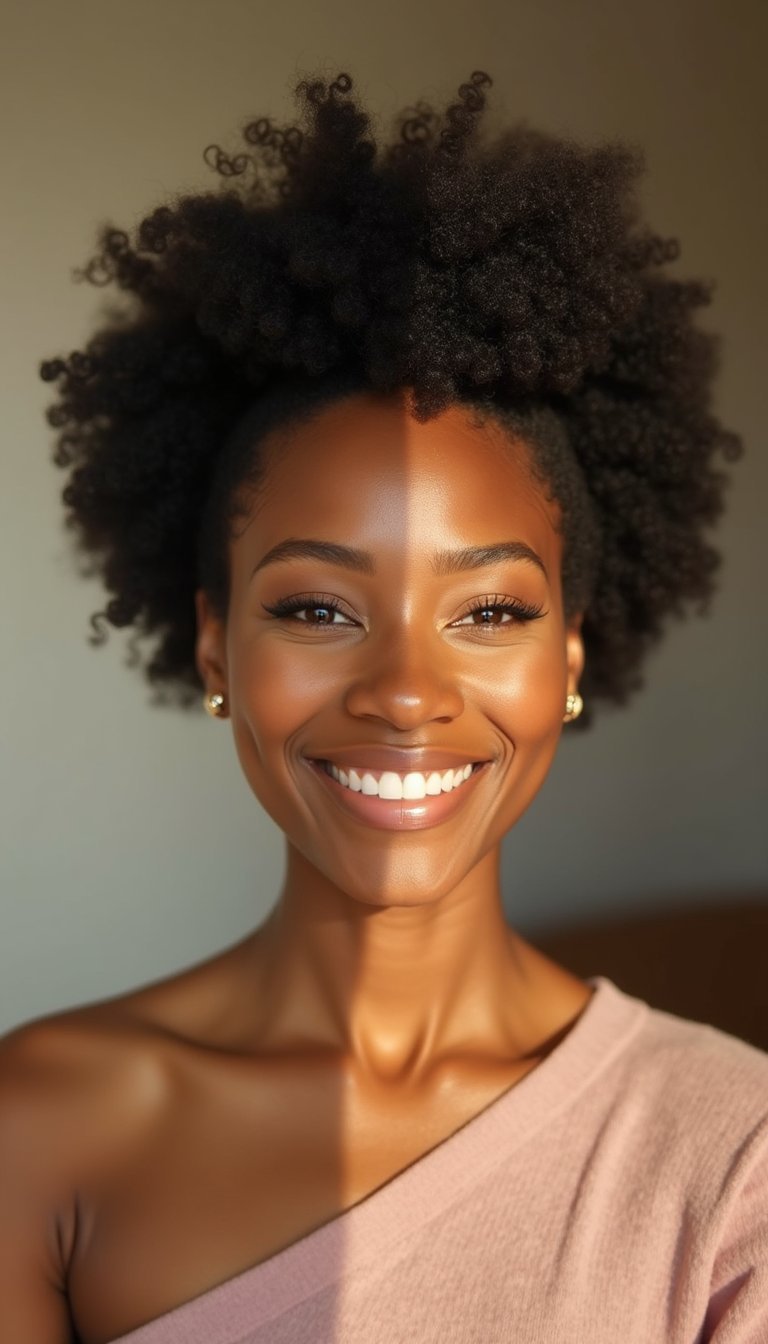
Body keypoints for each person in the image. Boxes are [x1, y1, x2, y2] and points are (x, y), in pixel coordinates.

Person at [1, 70, 765, 1343]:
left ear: (570, 656)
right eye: (316, 607)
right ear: (216, 647)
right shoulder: (40, 1125)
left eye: (491, 612)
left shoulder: (732, 1157)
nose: (407, 693)